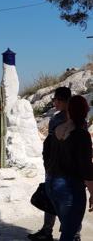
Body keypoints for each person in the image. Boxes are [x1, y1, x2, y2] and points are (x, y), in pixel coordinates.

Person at [44, 95, 93, 241]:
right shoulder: (82, 135)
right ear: (85, 111)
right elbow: (86, 168)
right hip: (70, 187)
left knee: (67, 228)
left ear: (69, 111)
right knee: (70, 234)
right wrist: (92, 191)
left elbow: (47, 154)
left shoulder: (57, 130)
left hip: (52, 183)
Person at [28, 87, 73, 241]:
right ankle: (48, 231)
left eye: (55, 99)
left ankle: (72, 234)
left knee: (65, 202)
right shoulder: (66, 118)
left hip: (62, 169)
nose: (54, 102)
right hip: (55, 167)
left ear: (61, 100)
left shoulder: (68, 119)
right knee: (52, 199)